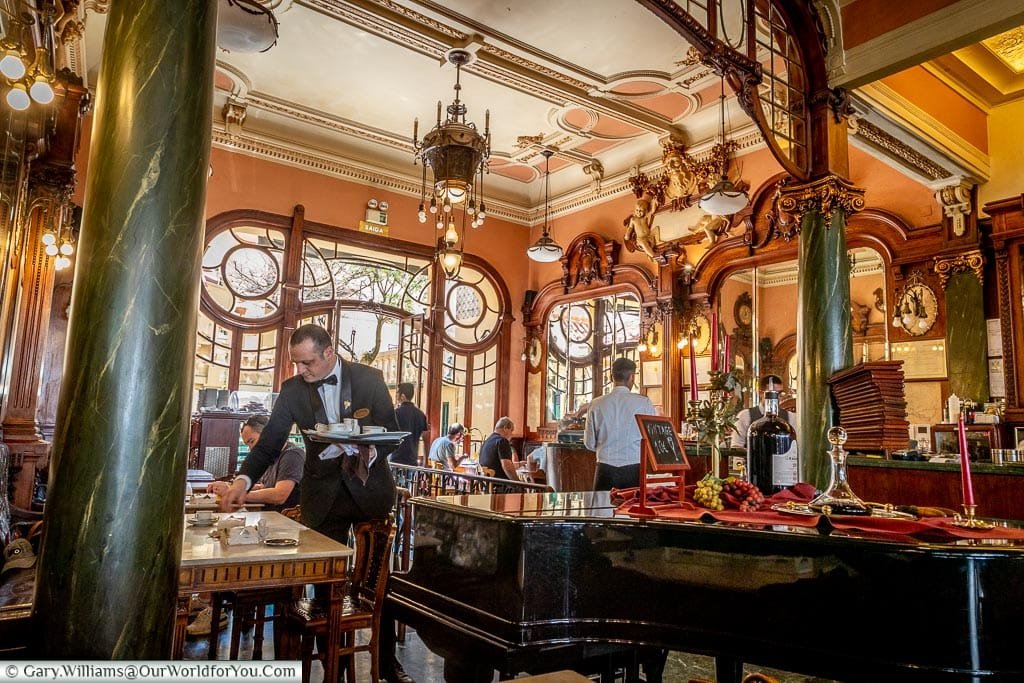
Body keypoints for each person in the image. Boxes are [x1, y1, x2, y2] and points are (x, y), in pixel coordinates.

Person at [219, 323, 413, 683]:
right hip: (323, 496)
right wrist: (243, 480)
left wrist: (362, 445)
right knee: (326, 589)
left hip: (369, 489)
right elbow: (270, 442)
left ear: (328, 353)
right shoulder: (293, 390)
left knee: (380, 585)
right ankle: (332, 666)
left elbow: (390, 433)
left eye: (307, 362)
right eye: (296, 363)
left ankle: (387, 662)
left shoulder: (369, 378)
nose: (301, 370)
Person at [584, 357, 656, 490]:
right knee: (631, 510)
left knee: (602, 509)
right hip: (634, 469)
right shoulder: (644, 403)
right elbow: (653, 439)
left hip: (604, 469)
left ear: (612, 377)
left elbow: (589, 444)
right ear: (632, 377)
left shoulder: (596, 404)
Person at [207, 414, 304, 512]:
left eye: (252, 441)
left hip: (286, 521)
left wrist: (235, 494)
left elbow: (279, 495)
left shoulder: (292, 455)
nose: (251, 449)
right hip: (267, 517)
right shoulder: (268, 457)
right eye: (248, 444)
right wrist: (232, 487)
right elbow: (262, 486)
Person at [731, 374, 797, 448]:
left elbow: (796, 445)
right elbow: (737, 445)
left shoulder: (791, 417)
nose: (777, 398)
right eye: (773, 393)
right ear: (761, 393)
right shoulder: (745, 416)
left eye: (780, 393)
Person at [390, 382, 429, 466]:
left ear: (402, 396)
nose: (396, 396)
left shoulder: (396, 413)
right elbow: (426, 438)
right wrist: (426, 461)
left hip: (397, 458)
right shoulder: (421, 414)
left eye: (397, 393)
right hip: (413, 459)